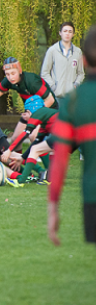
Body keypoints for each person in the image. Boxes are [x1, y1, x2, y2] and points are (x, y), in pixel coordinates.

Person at [48, 25, 96, 247]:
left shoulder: (73, 102)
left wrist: (53, 208)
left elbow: (59, 159)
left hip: (92, 196)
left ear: (83, 61)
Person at [0, 56, 58, 151]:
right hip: (30, 112)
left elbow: (50, 100)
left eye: (13, 73)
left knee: (33, 136)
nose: (10, 77)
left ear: (19, 71)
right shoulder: (9, 81)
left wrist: (34, 115)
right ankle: (19, 164)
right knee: (15, 140)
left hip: (47, 110)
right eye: (7, 74)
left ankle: (45, 164)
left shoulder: (32, 82)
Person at [0, 95, 58, 187]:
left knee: (40, 149)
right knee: (37, 147)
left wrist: (9, 150)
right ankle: (50, 177)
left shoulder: (37, 113)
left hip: (66, 134)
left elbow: (24, 134)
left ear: (31, 110)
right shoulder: (45, 119)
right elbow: (36, 142)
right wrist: (22, 157)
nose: (25, 114)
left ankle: (21, 181)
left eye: (27, 111)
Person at [41, 22, 84, 107]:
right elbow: (44, 72)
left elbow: (81, 73)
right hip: (57, 96)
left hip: (72, 96)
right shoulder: (52, 50)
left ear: (73, 34)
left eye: (70, 31)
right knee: (57, 119)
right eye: (65, 31)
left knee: (71, 120)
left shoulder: (77, 52)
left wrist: (76, 85)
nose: (67, 33)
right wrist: (53, 86)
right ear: (60, 33)